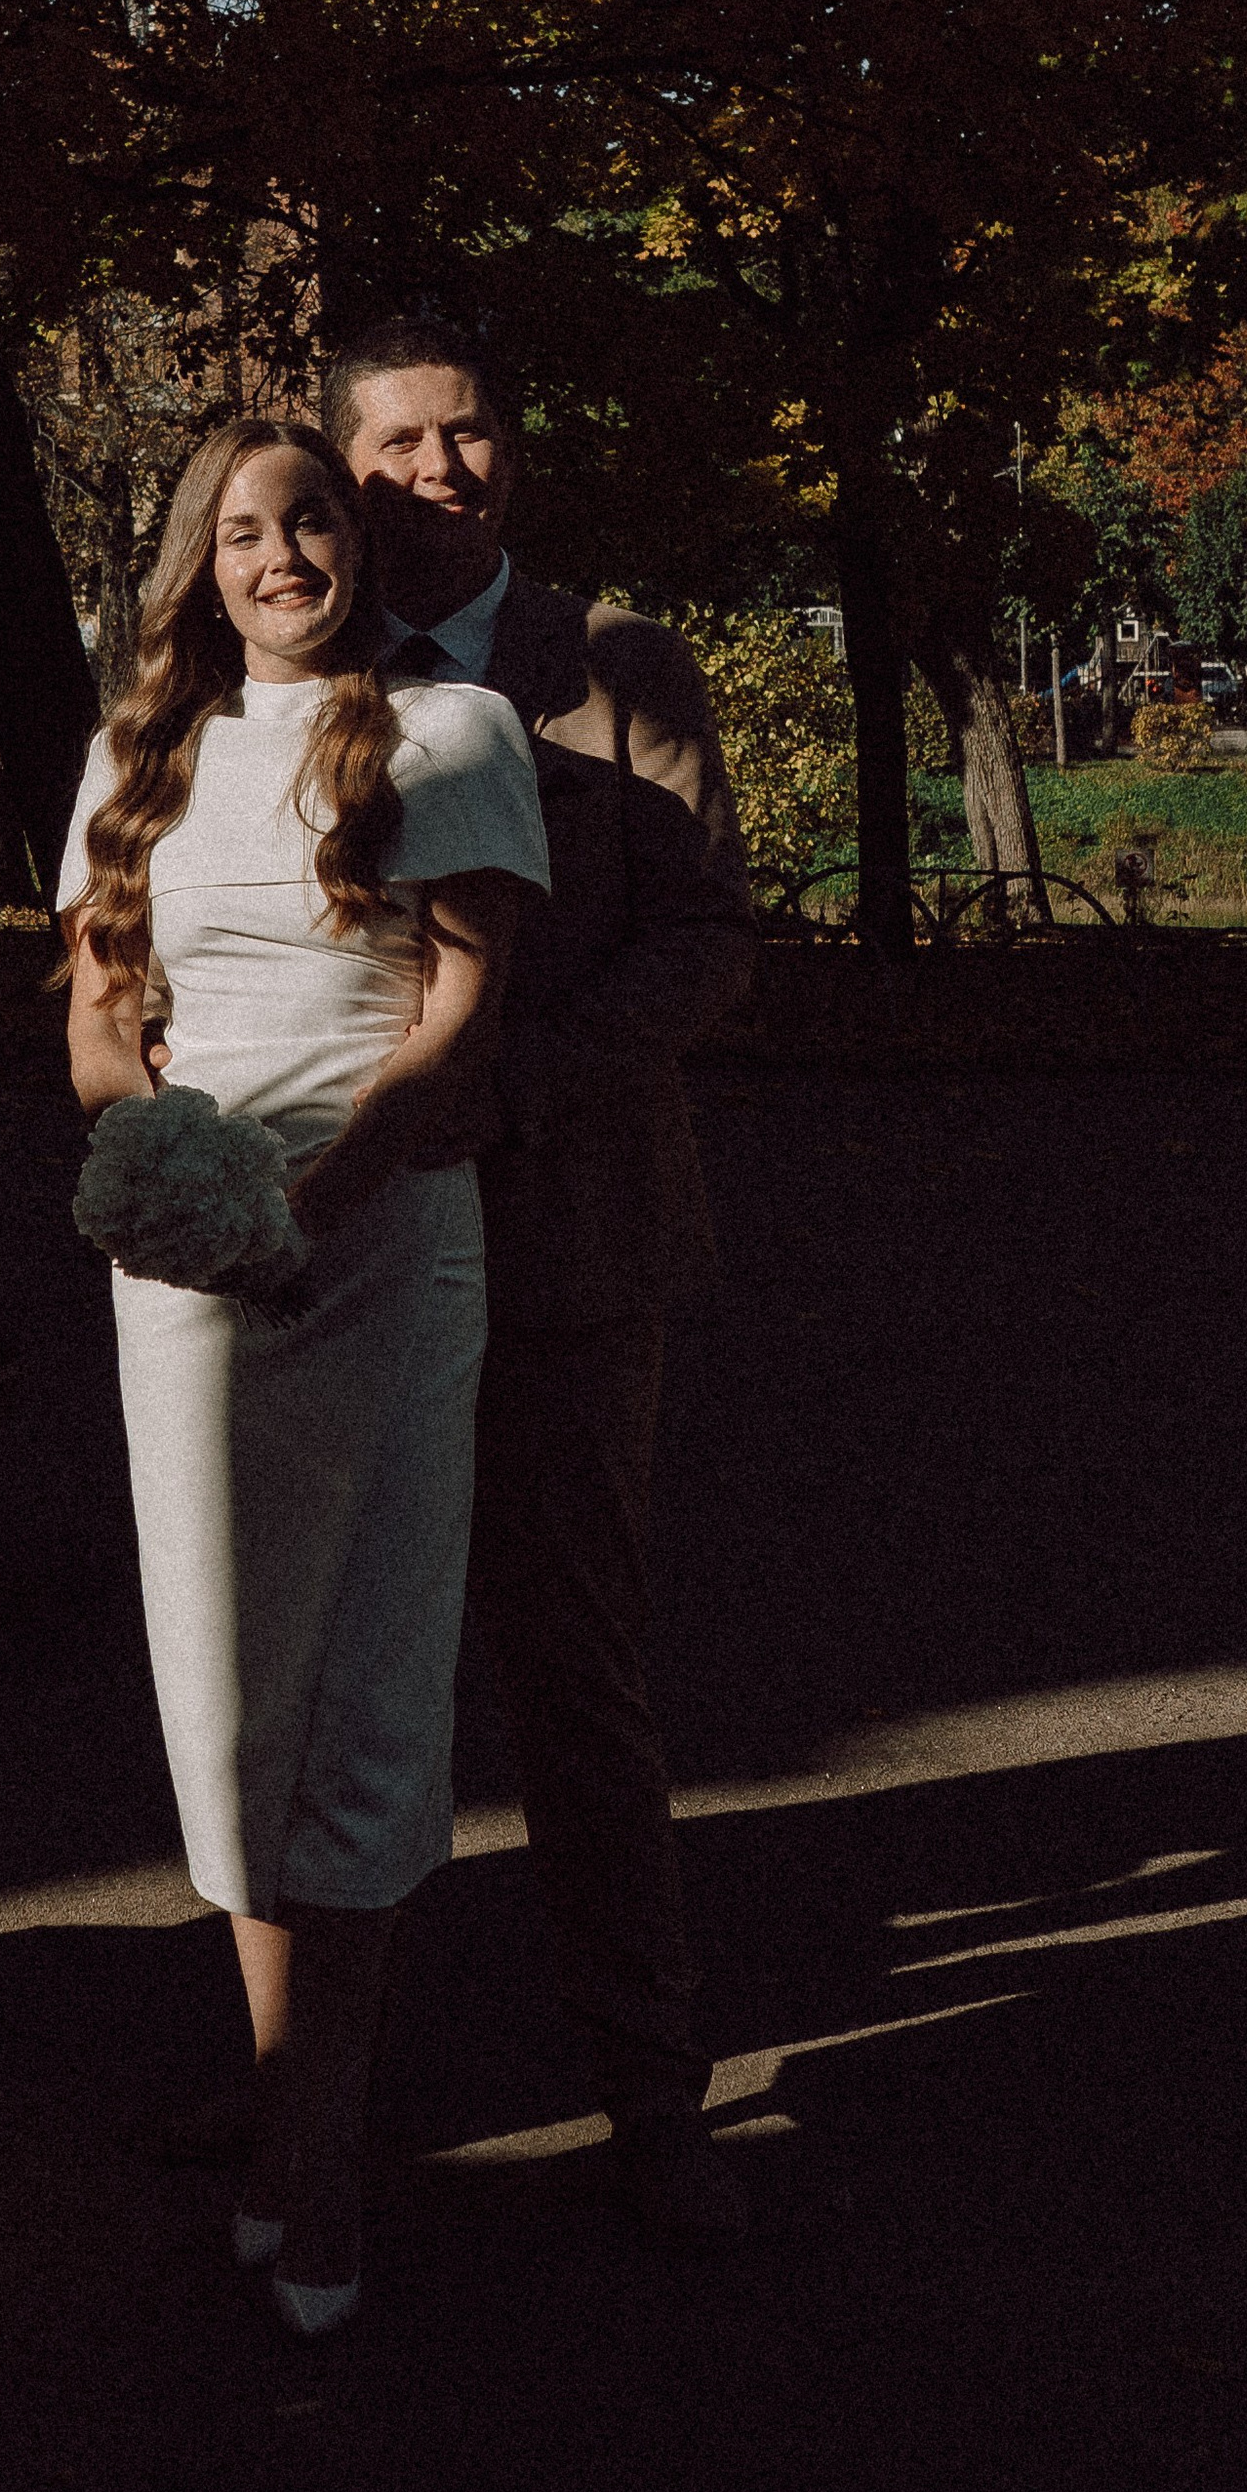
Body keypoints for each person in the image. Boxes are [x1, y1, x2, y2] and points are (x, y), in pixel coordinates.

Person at [58, 415, 551, 2334]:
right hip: (193, 1270)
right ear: (202, 564)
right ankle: (282, 2095)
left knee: (367, 1675)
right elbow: (104, 1023)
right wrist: (161, 1175)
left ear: (360, 543)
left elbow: (462, 1014)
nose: (283, 557)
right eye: (245, 531)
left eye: (315, 520)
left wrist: (326, 1190)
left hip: (384, 1238)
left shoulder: (452, 733)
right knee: (223, 1693)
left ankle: (321, 2146)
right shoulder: (138, 757)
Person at [323, 315, 759, 2246]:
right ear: (343, 471)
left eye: (472, 432)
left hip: (567, 1244)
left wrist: (510, 1091)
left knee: (574, 1675)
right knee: (328, 1670)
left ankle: (650, 2092)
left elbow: (705, 940)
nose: (444, 469)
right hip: (340, 1251)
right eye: (401, 443)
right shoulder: (289, 661)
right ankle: (306, 2086)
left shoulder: (613, 665)